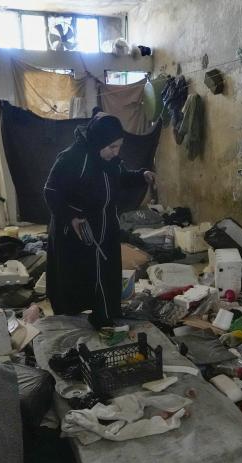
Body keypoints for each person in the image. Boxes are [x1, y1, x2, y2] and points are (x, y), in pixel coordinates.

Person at [43, 113, 155, 328]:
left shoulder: (110, 161)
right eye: (112, 147)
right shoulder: (73, 158)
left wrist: (141, 175)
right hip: (77, 228)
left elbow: (121, 177)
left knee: (106, 271)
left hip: (106, 225)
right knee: (76, 274)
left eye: (119, 146)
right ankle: (70, 322)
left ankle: (104, 315)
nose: (116, 152)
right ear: (99, 142)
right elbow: (51, 191)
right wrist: (70, 217)